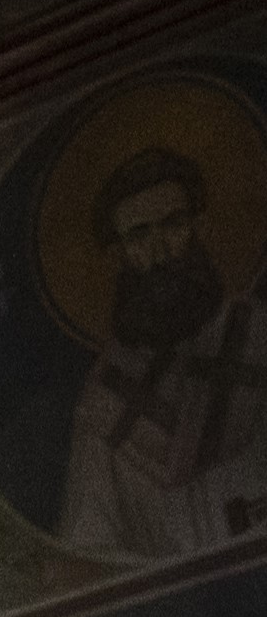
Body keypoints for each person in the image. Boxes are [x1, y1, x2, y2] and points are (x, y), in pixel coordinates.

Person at [58, 145, 267, 558]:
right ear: (120, 253)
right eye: (139, 235)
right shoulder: (105, 396)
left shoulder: (257, 335)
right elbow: (91, 543)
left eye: (173, 224)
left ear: (198, 226)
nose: (160, 251)